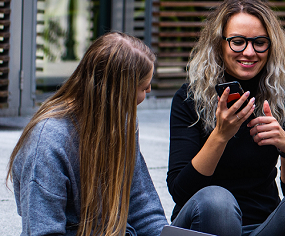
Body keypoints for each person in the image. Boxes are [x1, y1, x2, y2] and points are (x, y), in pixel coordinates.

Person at [167, 0, 285, 235]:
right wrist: (221, 135)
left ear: (271, 46)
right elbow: (180, 191)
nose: (249, 52)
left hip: (263, 226)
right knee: (218, 200)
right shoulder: (189, 98)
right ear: (219, 44)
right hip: (205, 223)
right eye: (238, 42)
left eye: (260, 43)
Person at [6, 32, 168, 236]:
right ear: (119, 93)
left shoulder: (123, 122)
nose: (150, 90)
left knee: (208, 202)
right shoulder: (47, 143)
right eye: (144, 88)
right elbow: (44, 230)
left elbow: (142, 208)